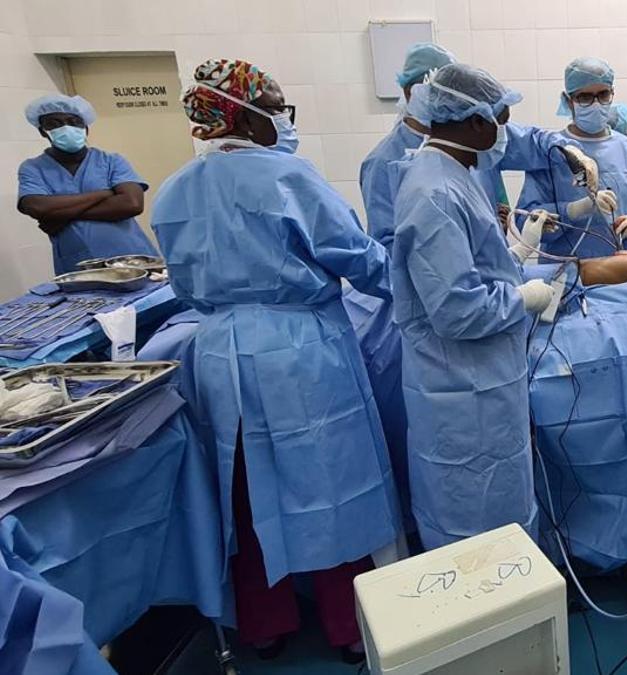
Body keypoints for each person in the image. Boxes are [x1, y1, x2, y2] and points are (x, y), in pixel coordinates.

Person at [153, 59, 399, 662]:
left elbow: (184, 287)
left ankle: (265, 625)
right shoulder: (289, 176)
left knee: (246, 490)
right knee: (330, 481)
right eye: (279, 106)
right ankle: (347, 626)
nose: (286, 121)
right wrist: (416, 275)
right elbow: (357, 259)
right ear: (248, 112)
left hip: (216, 352)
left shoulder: (175, 189)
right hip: (298, 352)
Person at [389, 63, 557, 550]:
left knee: (502, 507)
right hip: (461, 391)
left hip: (480, 382)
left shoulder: (452, 173)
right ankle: (489, 615)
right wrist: (524, 297)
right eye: (501, 117)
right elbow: (457, 309)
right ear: (477, 121)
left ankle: (516, 604)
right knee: (474, 525)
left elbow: (468, 265)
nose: (506, 130)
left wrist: (517, 254)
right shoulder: (434, 191)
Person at [518, 57, 627, 259]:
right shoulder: (550, 151)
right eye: (585, 97)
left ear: (612, 93)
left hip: (621, 271)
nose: (595, 104)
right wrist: (573, 211)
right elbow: (525, 219)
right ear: (569, 101)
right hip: (565, 271)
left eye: (603, 95)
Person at [17, 94, 158, 275]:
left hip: (132, 257)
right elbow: (37, 207)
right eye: (54, 123)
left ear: (86, 128)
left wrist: (59, 216)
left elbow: (132, 204)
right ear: (42, 130)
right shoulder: (33, 168)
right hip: (79, 265)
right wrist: (104, 194)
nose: (66, 128)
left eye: (73, 121)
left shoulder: (111, 161)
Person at [359, 42, 457, 244]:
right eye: (445, 95)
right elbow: (386, 243)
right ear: (412, 92)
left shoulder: (456, 147)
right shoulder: (381, 162)